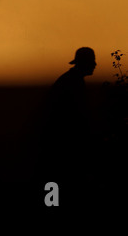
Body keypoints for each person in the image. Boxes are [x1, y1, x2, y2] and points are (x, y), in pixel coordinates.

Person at [39, 47, 97, 204]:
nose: (95, 65)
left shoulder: (70, 80)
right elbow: (77, 117)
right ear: (85, 63)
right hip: (63, 147)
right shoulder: (73, 83)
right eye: (92, 61)